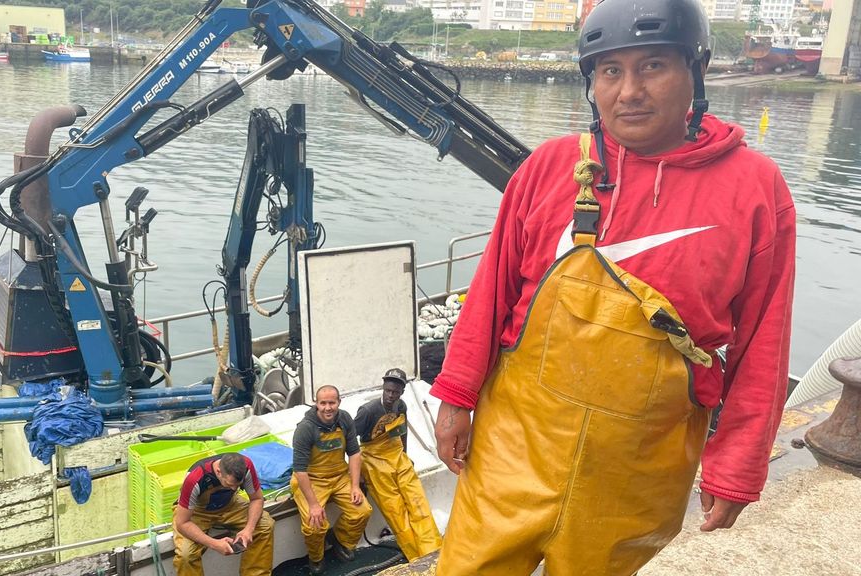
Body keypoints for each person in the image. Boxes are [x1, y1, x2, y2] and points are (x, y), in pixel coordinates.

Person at [431, 0, 796, 574]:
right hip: (515, 443)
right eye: (610, 71)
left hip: (641, 463)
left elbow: (763, 341)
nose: (629, 91)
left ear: (694, 73)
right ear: (591, 84)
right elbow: (490, 293)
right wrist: (456, 398)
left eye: (652, 66)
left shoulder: (754, 187)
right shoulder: (551, 166)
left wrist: (738, 464)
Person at [354, 368, 442, 562]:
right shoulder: (367, 411)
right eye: (388, 390)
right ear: (383, 388)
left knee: (418, 503)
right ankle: (416, 558)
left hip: (396, 455)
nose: (391, 395)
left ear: (401, 392)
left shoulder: (400, 406)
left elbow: (402, 431)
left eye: (395, 392)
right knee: (396, 512)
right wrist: (357, 473)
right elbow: (349, 442)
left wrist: (405, 454)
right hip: (374, 460)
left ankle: (433, 551)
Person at [292, 385, 373, 575]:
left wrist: (354, 486)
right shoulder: (305, 429)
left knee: (362, 511)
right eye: (323, 403)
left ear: (339, 402)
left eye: (332, 403)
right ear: (316, 404)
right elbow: (300, 471)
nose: (328, 408)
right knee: (315, 525)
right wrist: (313, 504)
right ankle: (316, 558)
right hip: (311, 479)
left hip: (339, 475)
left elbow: (354, 453)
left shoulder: (344, 419)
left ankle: (339, 540)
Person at [172, 452, 274, 576]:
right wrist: (214, 544)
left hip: (230, 504)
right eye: (230, 484)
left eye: (238, 485)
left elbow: (257, 499)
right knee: (185, 554)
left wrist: (248, 530)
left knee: (265, 524)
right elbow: (182, 523)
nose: (234, 489)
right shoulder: (194, 479)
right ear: (219, 472)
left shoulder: (246, 465)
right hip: (196, 512)